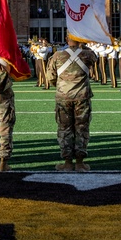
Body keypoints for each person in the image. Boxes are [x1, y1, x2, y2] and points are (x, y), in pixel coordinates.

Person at [46, 33, 98, 172]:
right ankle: (80, 162)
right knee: (82, 129)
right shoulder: (87, 55)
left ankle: (67, 162)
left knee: (65, 129)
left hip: (64, 97)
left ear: (66, 39)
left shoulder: (57, 56)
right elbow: (95, 58)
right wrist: (83, 44)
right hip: (82, 97)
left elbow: (50, 77)